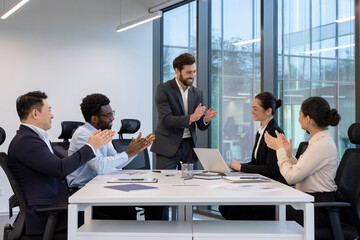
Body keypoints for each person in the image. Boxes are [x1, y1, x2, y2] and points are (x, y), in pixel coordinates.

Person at [7, 91, 114, 236]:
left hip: (57, 207)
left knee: (110, 212)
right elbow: (60, 169)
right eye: (49, 111)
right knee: (111, 215)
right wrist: (90, 147)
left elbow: (63, 163)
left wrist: (91, 147)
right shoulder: (26, 142)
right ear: (35, 114)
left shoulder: (35, 138)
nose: (52, 115)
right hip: (49, 214)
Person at [67, 93, 163, 220]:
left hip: (101, 185)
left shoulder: (101, 133)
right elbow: (99, 166)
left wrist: (133, 152)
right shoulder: (83, 135)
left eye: (112, 113)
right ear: (94, 118)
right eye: (108, 115)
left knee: (155, 201)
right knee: (126, 209)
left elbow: (115, 162)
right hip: (84, 189)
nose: (112, 118)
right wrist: (127, 154)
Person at [264, 96, 340, 227]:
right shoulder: (318, 141)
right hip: (312, 202)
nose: (298, 118)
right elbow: (302, 169)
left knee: (269, 210)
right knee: (269, 208)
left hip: (319, 209)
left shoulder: (321, 145)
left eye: (300, 115)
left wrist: (280, 150)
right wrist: (288, 155)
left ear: (308, 119)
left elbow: (291, 177)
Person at [219, 92, 286, 220]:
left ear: (268, 111)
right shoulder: (261, 131)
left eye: (255, 108)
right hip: (262, 187)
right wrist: (239, 167)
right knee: (225, 207)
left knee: (231, 209)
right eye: (252, 108)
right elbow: (256, 163)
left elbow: (270, 169)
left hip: (273, 190)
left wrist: (241, 168)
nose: (251, 112)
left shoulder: (274, 132)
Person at [151, 53, 217, 169]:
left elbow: (200, 125)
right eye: (188, 72)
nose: (192, 76)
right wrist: (192, 118)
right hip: (167, 146)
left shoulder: (197, 93)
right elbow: (166, 120)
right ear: (177, 71)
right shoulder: (163, 89)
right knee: (166, 183)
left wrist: (205, 120)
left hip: (189, 147)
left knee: (190, 183)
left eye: (194, 71)